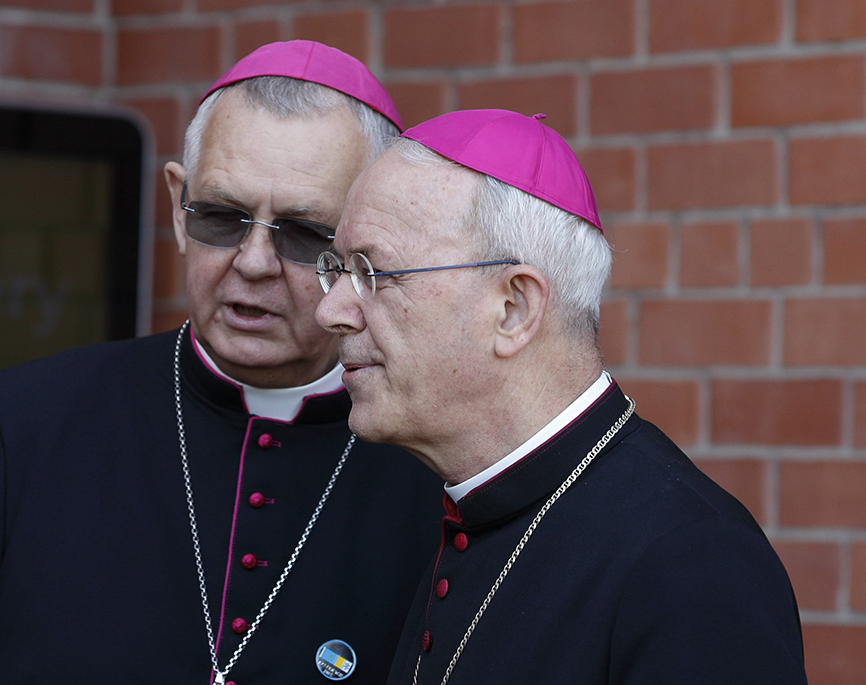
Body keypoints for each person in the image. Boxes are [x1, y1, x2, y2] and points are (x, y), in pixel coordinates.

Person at [0, 41, 443, 684]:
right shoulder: (24, 428)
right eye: (223, 218)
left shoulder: (432, 474)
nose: (253, 262)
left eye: (303, 232)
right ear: (178, 206)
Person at [315, 109, 809, 684]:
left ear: (514, 308)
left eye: (372, 272)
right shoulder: (467, 511)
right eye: (338, 269)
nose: (331, 312)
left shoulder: (694, 562)